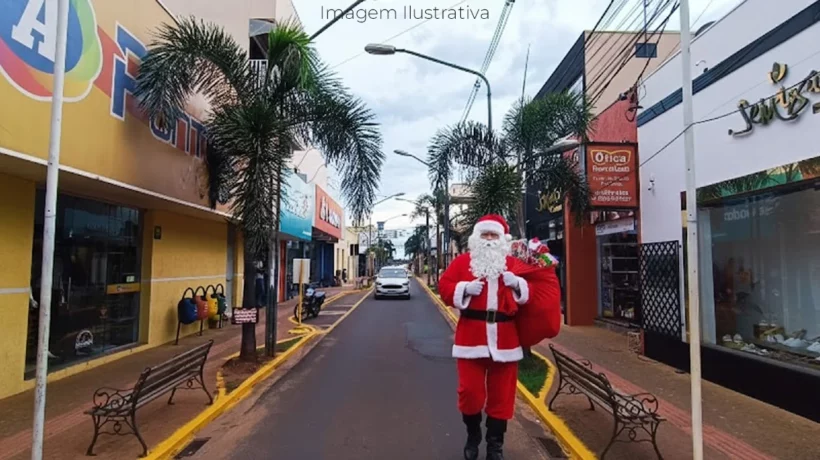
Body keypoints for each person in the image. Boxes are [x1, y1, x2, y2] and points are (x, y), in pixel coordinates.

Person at [438, 214, 532, 460]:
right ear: (476, 238)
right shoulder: (462, 263)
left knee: (502, 396)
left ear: (502, 239)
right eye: (485, 235)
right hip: (471, 338)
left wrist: (519, 285)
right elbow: (444, 287)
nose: (489, 240)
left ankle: (495, 445)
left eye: (494, 235)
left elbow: (534, 293)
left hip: (506, 340)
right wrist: (464, 289)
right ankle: (473, 434)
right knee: (470, 394)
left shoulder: (512, 264)